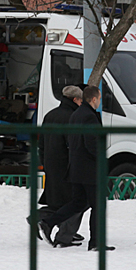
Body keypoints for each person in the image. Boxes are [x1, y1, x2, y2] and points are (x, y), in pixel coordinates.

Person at [39, 85, 115, 251]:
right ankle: (96, 242)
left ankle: (47, 222)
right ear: (93, 99)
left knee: (78, 203)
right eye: (99, 98)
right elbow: (92, 144)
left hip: (76, 168)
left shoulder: (75, 115)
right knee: (98, 205)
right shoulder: (89, 116)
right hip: (89, 169)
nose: (100, 101)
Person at [35, 85, 85, 248]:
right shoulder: (73, 117)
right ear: (75, 99)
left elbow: (41, 142)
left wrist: (44, 161)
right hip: (68, 166)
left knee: (62, 201)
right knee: (78, 200)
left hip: (52, 165)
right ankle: (64, 235)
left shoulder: (50, 115)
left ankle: (40, 218)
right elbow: (72, 145)